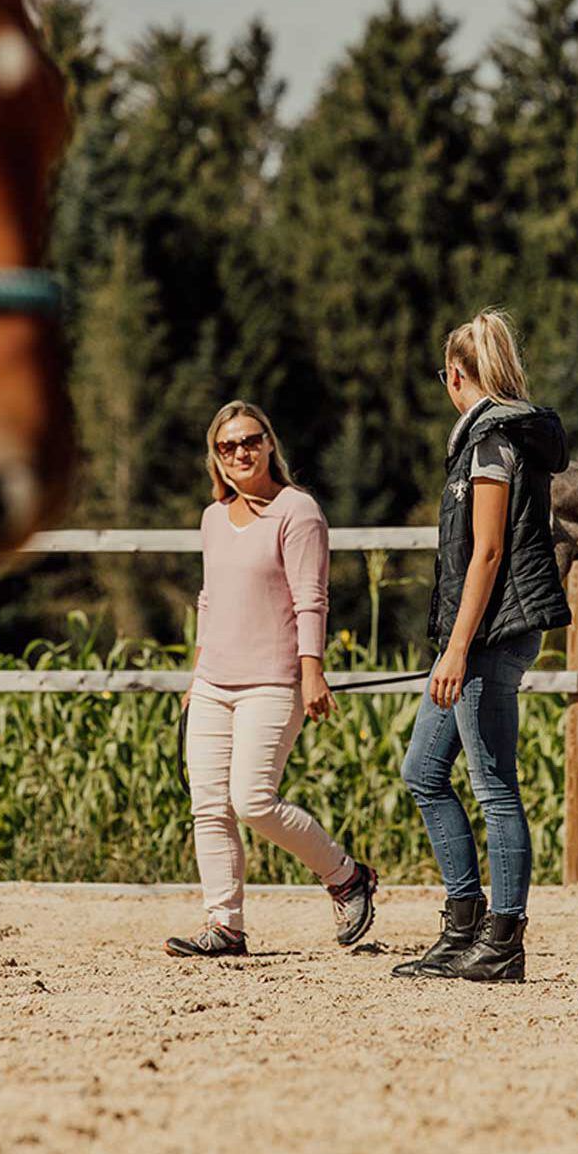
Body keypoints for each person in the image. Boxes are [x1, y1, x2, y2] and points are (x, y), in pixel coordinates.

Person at [166, 401, 378, 958]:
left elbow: (312, 598)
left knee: (253, 800)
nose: (241, 452)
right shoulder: (214, 517)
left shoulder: (297, 511)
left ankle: (346, 876)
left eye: (250, 440)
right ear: (216, 456)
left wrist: (312, 673)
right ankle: (225, 926)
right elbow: (209, 601)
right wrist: (196, 675)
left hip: (272, 680)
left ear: (269, 444)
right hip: (214, 681)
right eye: (228, 446)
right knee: (208, 805)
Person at [395, 310, 571, 983]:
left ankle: (503, 939)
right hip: (476, 634)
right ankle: (462, 923)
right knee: (423, 771)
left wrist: (457, 646)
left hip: (489, 636)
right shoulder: (488, 439)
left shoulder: (492, 443)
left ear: (457, 374)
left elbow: (489, 551)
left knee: (494, 785)